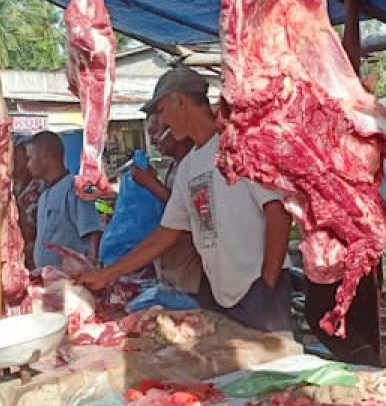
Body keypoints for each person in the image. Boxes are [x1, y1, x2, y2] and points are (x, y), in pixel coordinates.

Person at [79, 67, 294, 333]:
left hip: (259, 290)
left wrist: (267, 282)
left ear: (179, 101)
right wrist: (107, 274)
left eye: (162, 111)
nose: (162, 123)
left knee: (278, 365)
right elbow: (165, 235)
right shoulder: (189, 166)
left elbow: (278, 212)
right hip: (221, 294)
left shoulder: (239, 145)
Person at [128, 112, 202, 294]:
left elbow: (189, 213)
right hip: (170, 270)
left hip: (192, 274)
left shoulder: (197, 165)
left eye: (155, 132)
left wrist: (151, 184)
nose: (153, 141)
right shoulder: (174, 167)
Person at [28, 131, 104, 269]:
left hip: (73, 280)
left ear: (45, 157)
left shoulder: (76, 187)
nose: (28, 165)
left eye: (31, 158)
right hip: (50, 280)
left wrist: (93, 266)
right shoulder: (44, 196)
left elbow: (93, 231)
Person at [11, 136, 45, 270]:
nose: (15, 164)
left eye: (18, 161)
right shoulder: (10, 186)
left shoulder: (40, 187)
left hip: (35, 256)